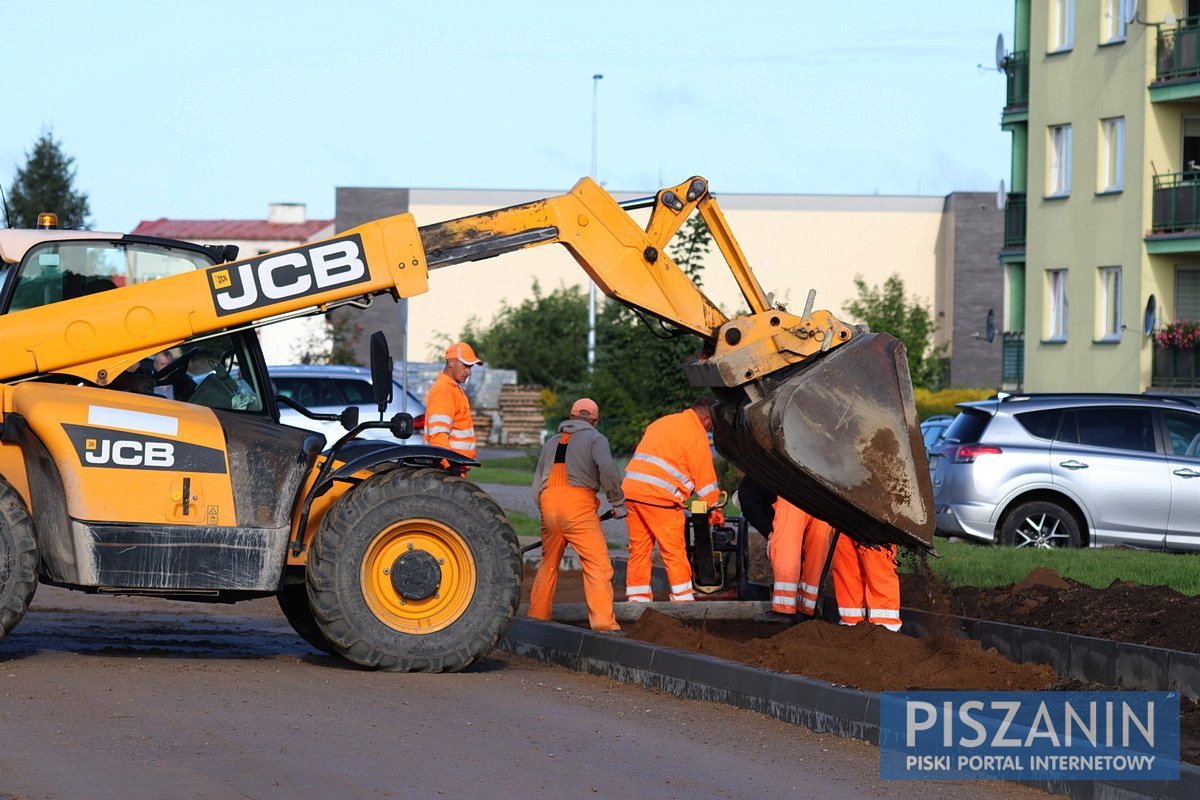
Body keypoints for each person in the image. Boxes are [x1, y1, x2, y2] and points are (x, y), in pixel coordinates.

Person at [528, 398, 626, 632]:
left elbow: (536, 485)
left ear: (571, 417)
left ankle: (536, 617)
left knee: (548, 564)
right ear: (595, 421)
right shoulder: (595, 438)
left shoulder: (551, 442)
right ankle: (604, 624)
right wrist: (617, 502)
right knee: (598, 566)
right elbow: (609, 470)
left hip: (548, 505)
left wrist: (546, 511)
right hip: (578, 507)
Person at [621, 396, 721, 603]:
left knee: (639, 550)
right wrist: (715, 509)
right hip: (659, 498)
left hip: (632, 491)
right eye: (711, 424)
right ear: (706, 420)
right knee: (674, 551)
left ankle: (637, 600)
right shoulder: (696, 435)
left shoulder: (663, 422)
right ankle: (683, 599)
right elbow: (706, 481)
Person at [736, 475, 836, 625]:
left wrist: (771, 535)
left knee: (785, 551)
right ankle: (806, 609)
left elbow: (758, 516)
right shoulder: (762, 481)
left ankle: (783, 610)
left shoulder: (747, 491)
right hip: (822, 500)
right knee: (814, 558)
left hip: (792, 497)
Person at [424, 341, 482, 464]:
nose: (469, 372)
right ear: (451, 362)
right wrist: (448, 466)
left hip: (456, 467)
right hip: (448, 470)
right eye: (465, 365)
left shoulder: (453, 389)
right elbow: (438, 436)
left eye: (470, 367)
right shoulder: (444, 391)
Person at [832, 537, 902, 631]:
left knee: (876, 561)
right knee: (846, 565)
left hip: (874, 528)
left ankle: (885, 628)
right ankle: (850, 625)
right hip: (845, 525)